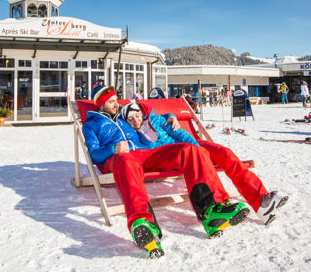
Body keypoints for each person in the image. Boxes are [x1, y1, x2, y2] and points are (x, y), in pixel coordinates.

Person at [82, 85, 250, 256]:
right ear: (101, 104)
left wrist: (169, 116)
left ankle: (210, 212)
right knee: (127, 160)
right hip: (119, 158)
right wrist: (113, 149)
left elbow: (146, 119)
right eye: (111, 102)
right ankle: (143, 223)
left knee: (191, 150)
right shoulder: (91, 126)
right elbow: (94, 155)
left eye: (116, 100)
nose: (115, 104)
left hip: (145, 153)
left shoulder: (122, 117)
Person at [120, 101, 288, 225]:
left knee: (225, 154)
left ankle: (261, 200)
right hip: (177, 156)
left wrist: (196, 144)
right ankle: (222, 204)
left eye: (136, 115)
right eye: (130, 119)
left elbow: (180, 133)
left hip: (193, 144)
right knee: (203, 159)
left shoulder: (156, 120)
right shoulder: (134, 137)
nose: (135, 120)